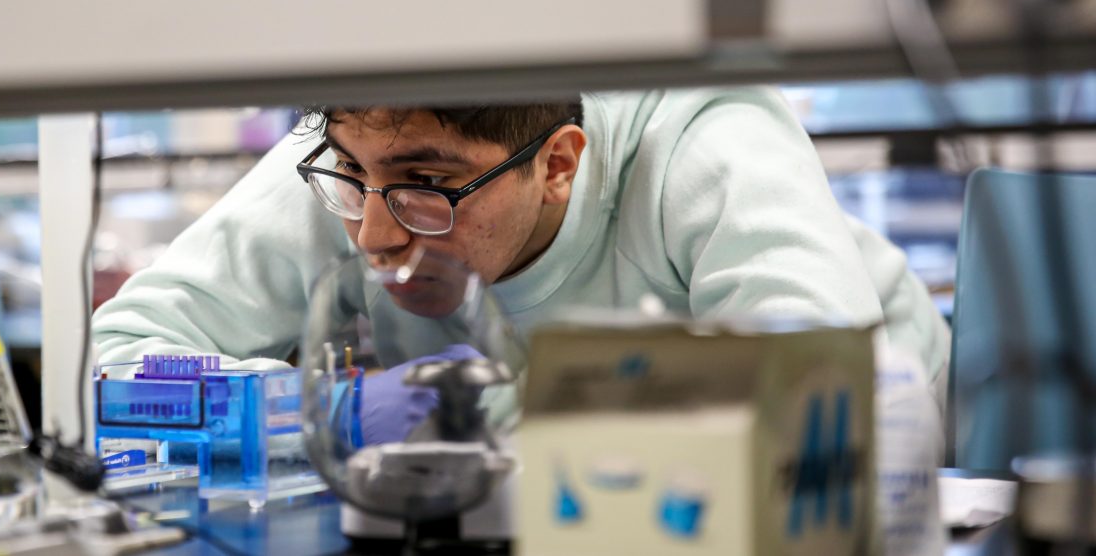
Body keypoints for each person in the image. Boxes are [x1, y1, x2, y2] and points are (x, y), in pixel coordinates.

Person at [93, 87, 951, 441]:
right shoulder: (362, 155)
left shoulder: (701, 139)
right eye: (356, 180)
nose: (372, 237)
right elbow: (115, 355)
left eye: (429, 188)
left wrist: (489, 410)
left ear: (559, 165)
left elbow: (816, 386)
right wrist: (315, 412)